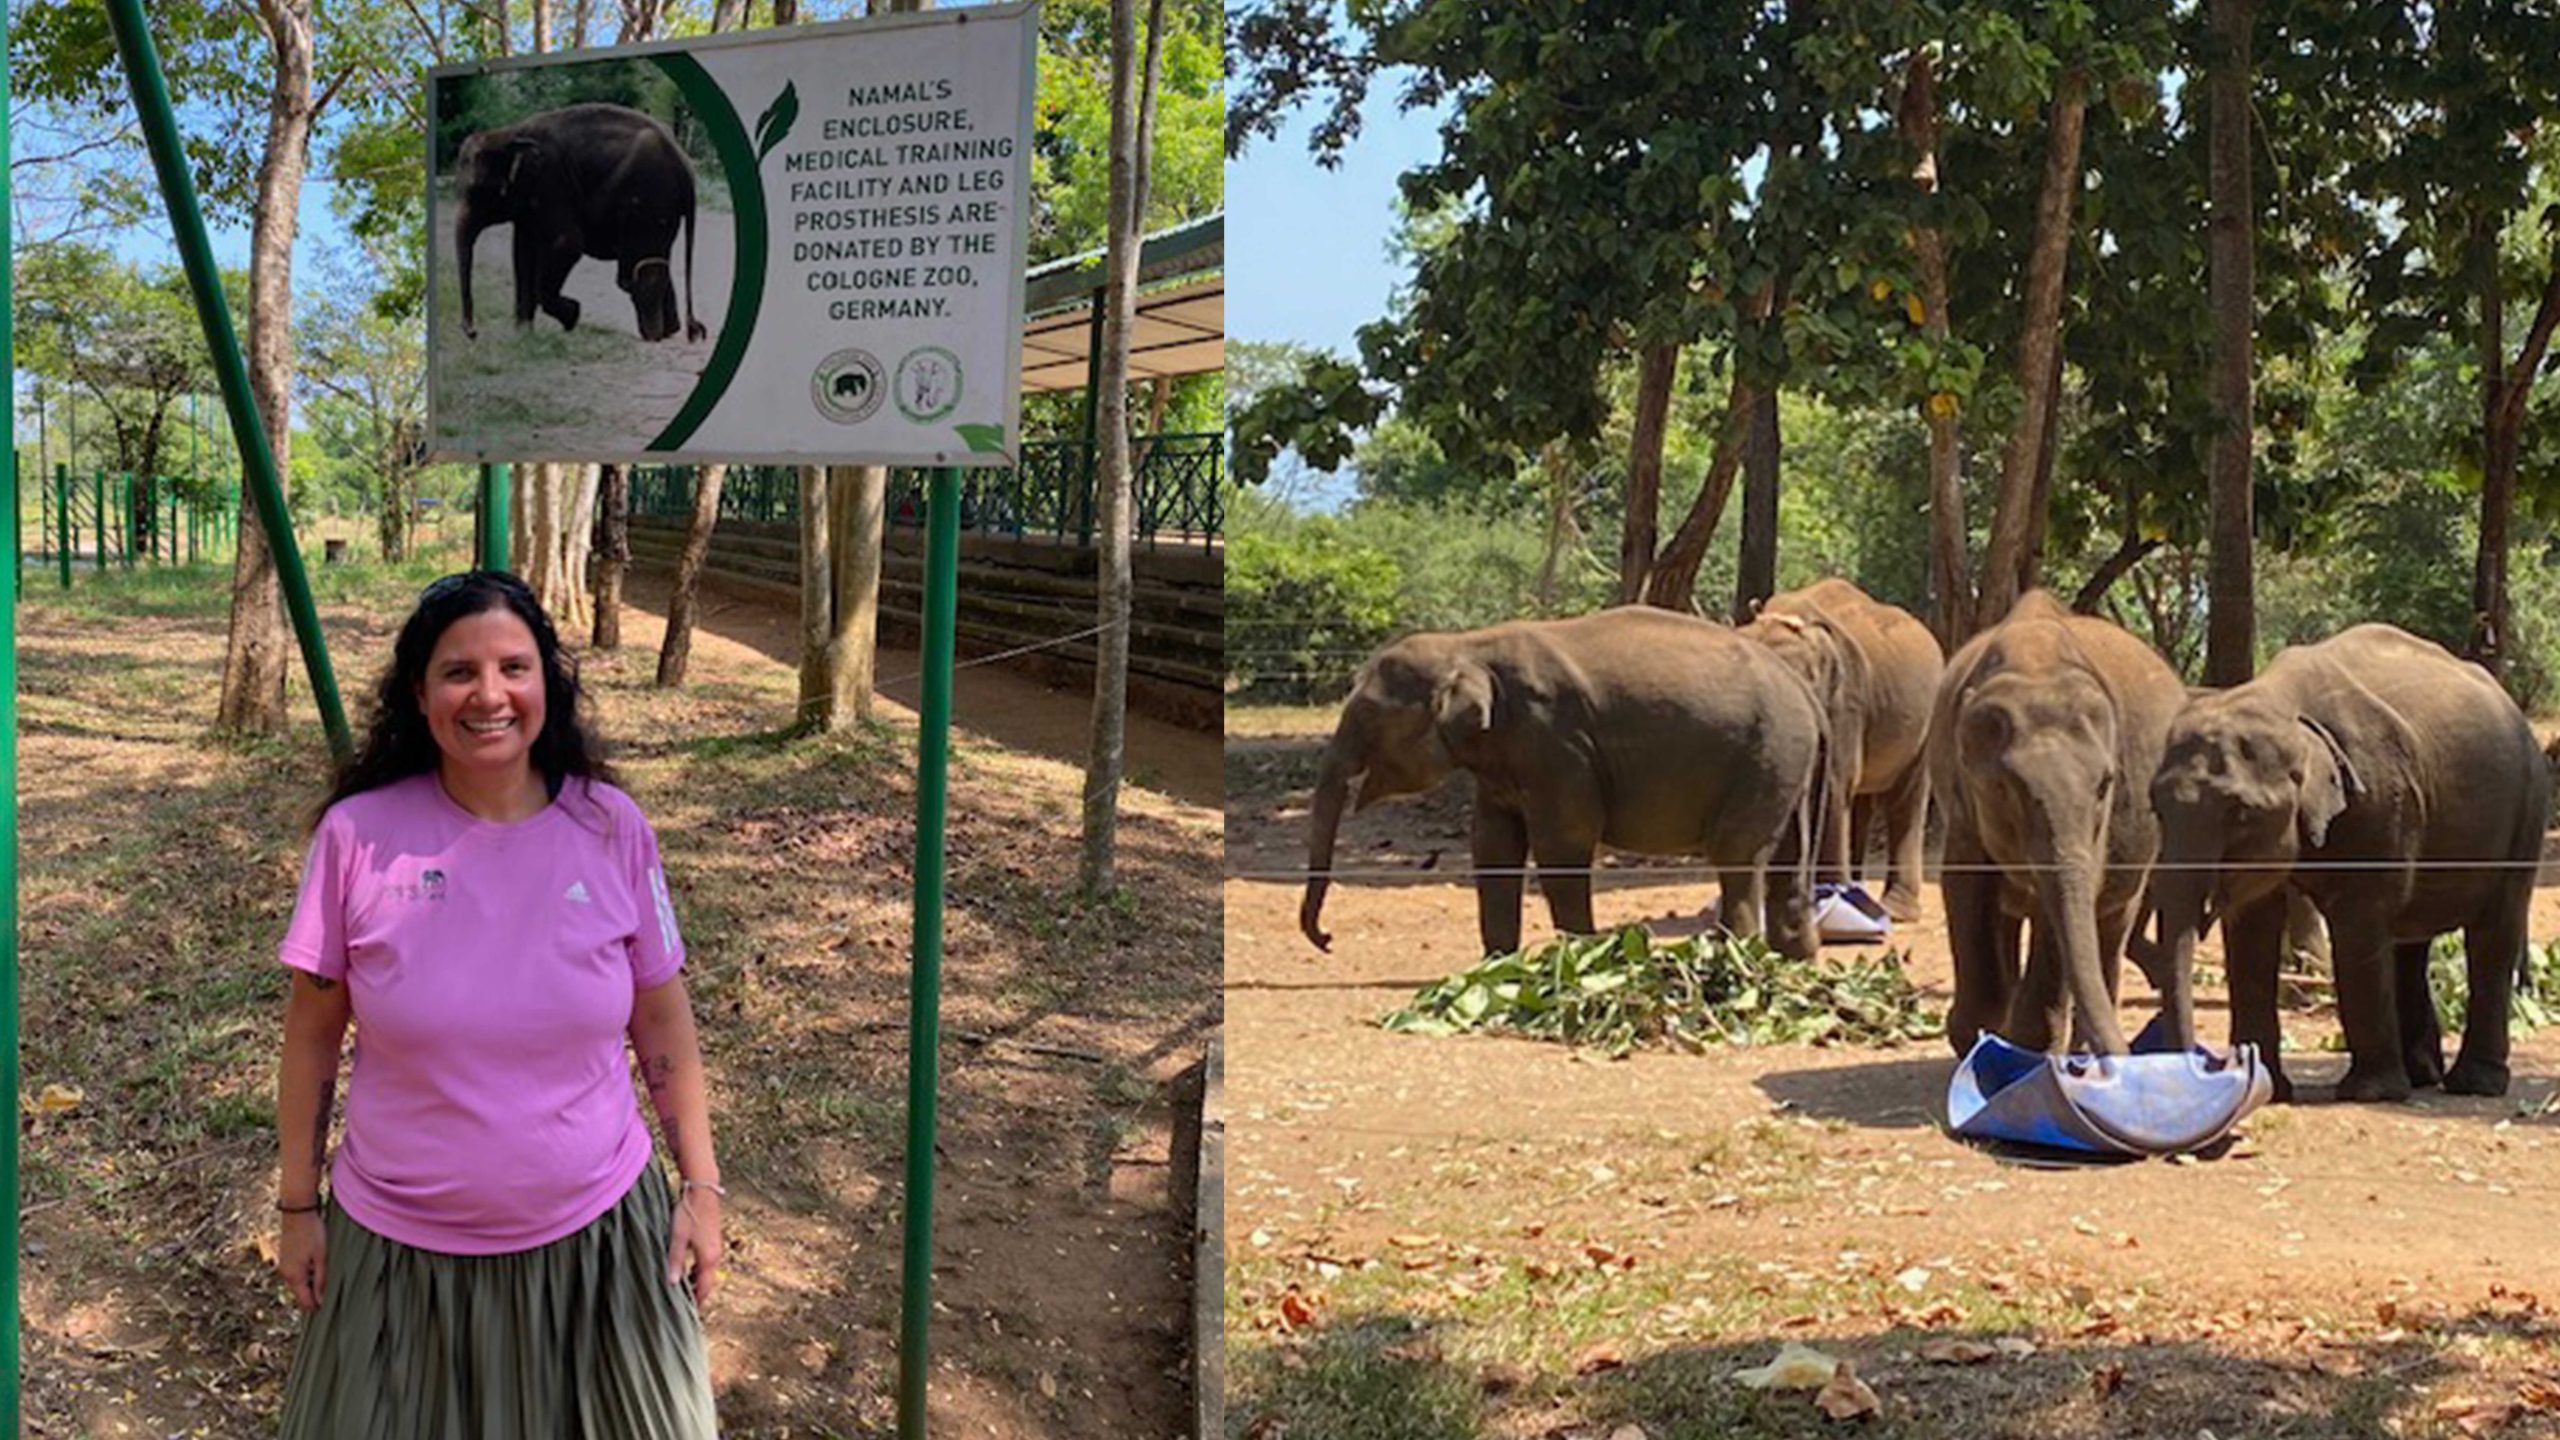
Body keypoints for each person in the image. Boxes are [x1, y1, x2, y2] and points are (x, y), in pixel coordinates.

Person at [271, 570, 723, 1437]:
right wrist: (298, 1208)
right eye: (458, 672)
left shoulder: (612, 829)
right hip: (398, 1262)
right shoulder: (357, 839)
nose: (489, 695)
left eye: (514, 667)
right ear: (419, 692)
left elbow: (662, 1016)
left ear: (548, 680)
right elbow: (312, 1035)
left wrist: (701, 1185)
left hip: (601, 1252)